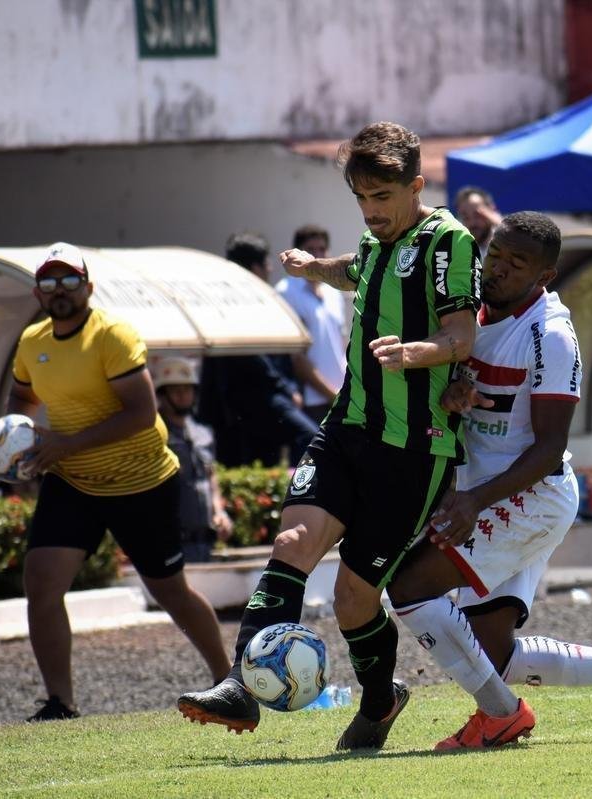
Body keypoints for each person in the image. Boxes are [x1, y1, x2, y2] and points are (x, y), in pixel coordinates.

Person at [177, 122, 480, 749]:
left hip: (414, 448)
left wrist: (417, 354)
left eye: (382, 199)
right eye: (361, 200)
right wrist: (315, 267)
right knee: (291, 540)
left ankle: (380, 700)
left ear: (415, 186)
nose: (371, 213)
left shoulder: (447, 240)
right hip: (347, 428)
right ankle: (239, 683)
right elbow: (360, 268)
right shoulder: (377, 242)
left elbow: (462, 337)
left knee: (351, 597)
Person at [382, 211, 592, 750]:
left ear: (543, 276)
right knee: (492, 652)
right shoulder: (468, 312)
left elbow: (549, 447)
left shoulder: (549, 336)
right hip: (485, 494)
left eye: (517, 263)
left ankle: (502, 715)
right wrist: (453, 397)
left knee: (409, 586)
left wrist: (472, 501)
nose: (498, 269)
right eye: (496, 255)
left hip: (528, 497)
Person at [6, 242, 231, 721]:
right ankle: (59, 703)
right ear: (37, 292)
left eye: (70, 280)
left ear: (88, 287)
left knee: (169, 591)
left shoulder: (113, 335)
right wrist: (14, 448)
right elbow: (20, 399)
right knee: (41, 583)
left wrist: (64, 443)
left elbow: (140, 413)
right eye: (50, 281)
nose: (60, 290)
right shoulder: (32, 343)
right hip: (73, 481)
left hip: (141, 481)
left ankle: (227, 679)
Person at [198, 232, 320, 466]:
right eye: (266, 264)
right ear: (254, 268)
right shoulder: (237, 302)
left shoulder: (249, 298)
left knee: (264, 459)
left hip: (250, 403)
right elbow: (255, 353)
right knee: (309, 437)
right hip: (256, 397)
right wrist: (286, 390)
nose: (270, 270)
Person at [153, 356, 233, 563]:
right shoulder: (154, 435)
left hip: (205, 541)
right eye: (175, 390)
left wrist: (220, 511)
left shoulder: (203, 433)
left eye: (187, 389)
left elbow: (210, 476)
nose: (183, 396)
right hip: (172, 540)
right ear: (162, 395)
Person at [274, 225, 348, 425]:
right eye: (310, 250)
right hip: (310, 401)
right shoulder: (285, 292)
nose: (317, 255)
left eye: (322, 249)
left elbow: (341, 344)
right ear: (298, 252)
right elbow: (296, 358)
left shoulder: (334, 292)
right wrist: (331, 393)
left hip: (340, 397)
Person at [455, 186, 502, 260]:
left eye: (478, 215)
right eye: (466, 217)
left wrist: (500, 225)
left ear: (491, 212)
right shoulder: (457, 251)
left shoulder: (506, 246)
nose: (472, 223)